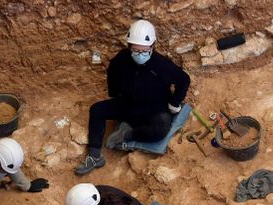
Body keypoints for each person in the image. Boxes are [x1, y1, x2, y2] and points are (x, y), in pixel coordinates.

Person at [75, 19, 191, 176]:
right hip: (128, 105)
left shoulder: (161, 65)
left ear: (152, 47)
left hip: (155, 109)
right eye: (136, 51)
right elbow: (112, 73)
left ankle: (127, 134)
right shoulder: (122, 59)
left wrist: (175, 102)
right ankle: (94, 155)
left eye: (145, 51)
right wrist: (115, 94)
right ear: (129, 47)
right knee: (96, 110)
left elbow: (183, 79)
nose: (140, 55)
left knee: (160, 129)